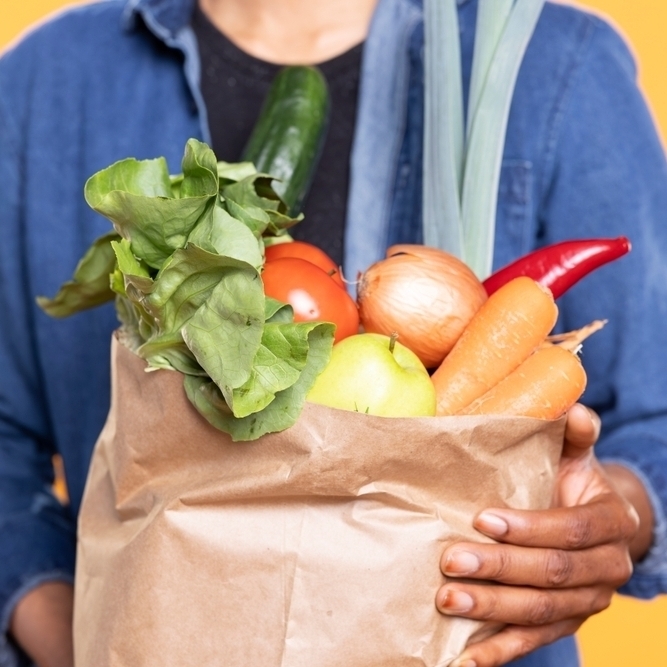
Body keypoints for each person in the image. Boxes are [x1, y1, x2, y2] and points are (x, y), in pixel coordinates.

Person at [1, 0, 666, 665]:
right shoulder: (47, 81)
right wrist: (75, 641)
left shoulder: (554, 65)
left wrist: (612, 523)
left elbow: (654, 425)